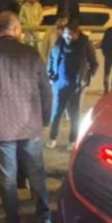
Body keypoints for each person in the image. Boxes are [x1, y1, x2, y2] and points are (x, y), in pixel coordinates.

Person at [0, 12, 53, 223]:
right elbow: (46, 90)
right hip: (30, 123)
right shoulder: (30, 53)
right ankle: (45, 219)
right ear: (17, 29)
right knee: (36, 173)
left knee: (7, 178)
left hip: (0, 125)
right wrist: (45, 119)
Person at [46, 20, 98, 150]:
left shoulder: (85, 44)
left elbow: (94, 63)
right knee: (56, 113)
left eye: (70, 35)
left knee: (74, 114)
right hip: (59, 83)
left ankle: (72, 140)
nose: (67, 38)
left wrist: (87, 78)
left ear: (77, 33)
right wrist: (50, 75)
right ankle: (52, 138)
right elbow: (51, 58)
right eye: (65, 34)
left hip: (76, 85)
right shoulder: (59, 42)